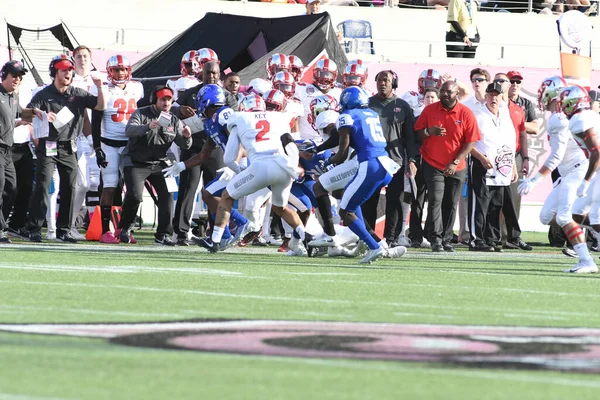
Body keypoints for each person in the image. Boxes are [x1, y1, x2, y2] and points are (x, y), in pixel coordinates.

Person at [196, 94, 307, 256]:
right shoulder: (279, 117)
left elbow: (228, 157)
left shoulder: (239, 118)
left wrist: (239, 171)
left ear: (243, 107)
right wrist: (293, 167)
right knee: (281, 208)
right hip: (284, 166)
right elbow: (291, 146)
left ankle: (216, 240)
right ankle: (300, 242)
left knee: (226, 196)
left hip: (260, 166)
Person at [26, 54, 106, 243]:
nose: (68, 73)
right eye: (64, 70)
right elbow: (27, 114)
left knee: (70, 187)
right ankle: (35, 228)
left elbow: (100, 106)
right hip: (48, 145)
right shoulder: (43, 94)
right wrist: (37, 112)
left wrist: (101, 86)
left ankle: (64, 229)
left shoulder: (78, 93)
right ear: (55, 72)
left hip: (70, 146)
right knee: (43, 185)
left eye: (70, 70)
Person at [519, 76, 595, 273]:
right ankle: (594, 224)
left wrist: (535, 180)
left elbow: (557, 156)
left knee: (563, 217)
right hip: (569, 172)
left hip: (577, 170)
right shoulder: (562, 117)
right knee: (545, 217)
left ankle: (586, 260)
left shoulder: (559, 119)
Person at [329, 86, 402, 264]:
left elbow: (343, 153)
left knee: (345, 211)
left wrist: (328, 160)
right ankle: (374, 243)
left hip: (370, 164)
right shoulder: (371, 113)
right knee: (352, 200)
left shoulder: (347, 116)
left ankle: (373, 246)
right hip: (385, 163)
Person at [116, 86, 192, 245]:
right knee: (135, 196)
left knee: (168, 195)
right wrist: (147, 127)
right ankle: (125, 226)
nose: (166, 103)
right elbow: (129, 131)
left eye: (169, 100)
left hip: (160, 162)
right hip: (136, 161)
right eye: (162, 99)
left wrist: (186, 137)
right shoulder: (141, 113)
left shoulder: (174, 120)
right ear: (154, 100)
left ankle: (163, 234)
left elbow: (185, 145)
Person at [173, 61, 237, 243]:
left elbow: (235, 114)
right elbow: (172, 108)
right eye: (208, 73)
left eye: (215, 73)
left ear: (219, 74)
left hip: (215, 147)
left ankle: (214, 231)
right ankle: (181, 232)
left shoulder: (226, 95)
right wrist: (180, 109)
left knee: (214, 192)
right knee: (188, 189)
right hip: (193, 145)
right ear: (202, 73)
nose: (211, 77)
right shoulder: (191, 92)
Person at [414, 81, 481, 252]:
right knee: (435, 201)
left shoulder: (466, 113)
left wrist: (455, 161)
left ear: (456, 93)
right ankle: (435, 239)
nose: (445, 94)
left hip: (457, 166)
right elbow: (417, 133)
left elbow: (470, 142)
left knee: (451, 203)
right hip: (433, 163)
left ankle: (446, 238)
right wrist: (430, 131)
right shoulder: (430, 110)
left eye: (449, 92)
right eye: (442, 91)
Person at [91, 55, 144, 244]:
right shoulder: (103, 89)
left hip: (130, 146)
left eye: (123, 69)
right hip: (109, 144)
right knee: (110, 186)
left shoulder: (136, 88)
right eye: (116, 70)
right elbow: (96, 120)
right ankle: (105, 231)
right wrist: (97, 147)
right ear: (110, 71)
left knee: (132, 189)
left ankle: (123, 229)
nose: (120, 73)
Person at [365, 70, 417, 247]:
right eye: (379, 80)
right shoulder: (367, 104)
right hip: (372, 160)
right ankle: (369, 237)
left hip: (395, 161)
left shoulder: (403, 106)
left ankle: (391, 238)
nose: (382, 83)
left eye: (386, 80)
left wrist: (412, 160)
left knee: (394, 200)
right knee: (369, 199)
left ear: (393, 83)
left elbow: (409, 137)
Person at [468, 82, 517, 252]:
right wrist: (481, 158)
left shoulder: (504, 116)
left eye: (497, 95)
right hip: (482, 164)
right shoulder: (478, 115)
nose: (493, 98)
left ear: (502, 96)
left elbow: (511, 142)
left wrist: (513, 167)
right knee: (480, 204)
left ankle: (492, 239)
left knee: (496, 205)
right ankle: (477, 239)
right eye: (490, 95)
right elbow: (467, 142)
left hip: (501, 168)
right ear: (486, 96)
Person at [562, 85, 600, 273]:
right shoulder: (589, 115)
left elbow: (596, 152)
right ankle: (586, 261)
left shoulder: (580, 119)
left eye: (564, 103)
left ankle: (588, 261)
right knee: (575, 214)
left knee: (596, 221)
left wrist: (585, 181)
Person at [70, 45, 104, 240]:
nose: (82, 59)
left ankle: (91, 223)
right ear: (73, 58)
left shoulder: (99, 78)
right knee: (77, 183)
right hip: (78, 136)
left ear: (91, 59)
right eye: (79, 56)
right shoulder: (69, 79)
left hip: (99, 137)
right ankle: (69, 223)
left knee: (95, 182)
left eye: (85, 56)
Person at [0, 60, 31, 243]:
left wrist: (35, 113)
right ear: (4, 75)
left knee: (11, 188)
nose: (17, 79)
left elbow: (17, 114)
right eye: (14, 75)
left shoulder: (14, 96)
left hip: (8, 149)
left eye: (20, 76)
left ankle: (3, 224)